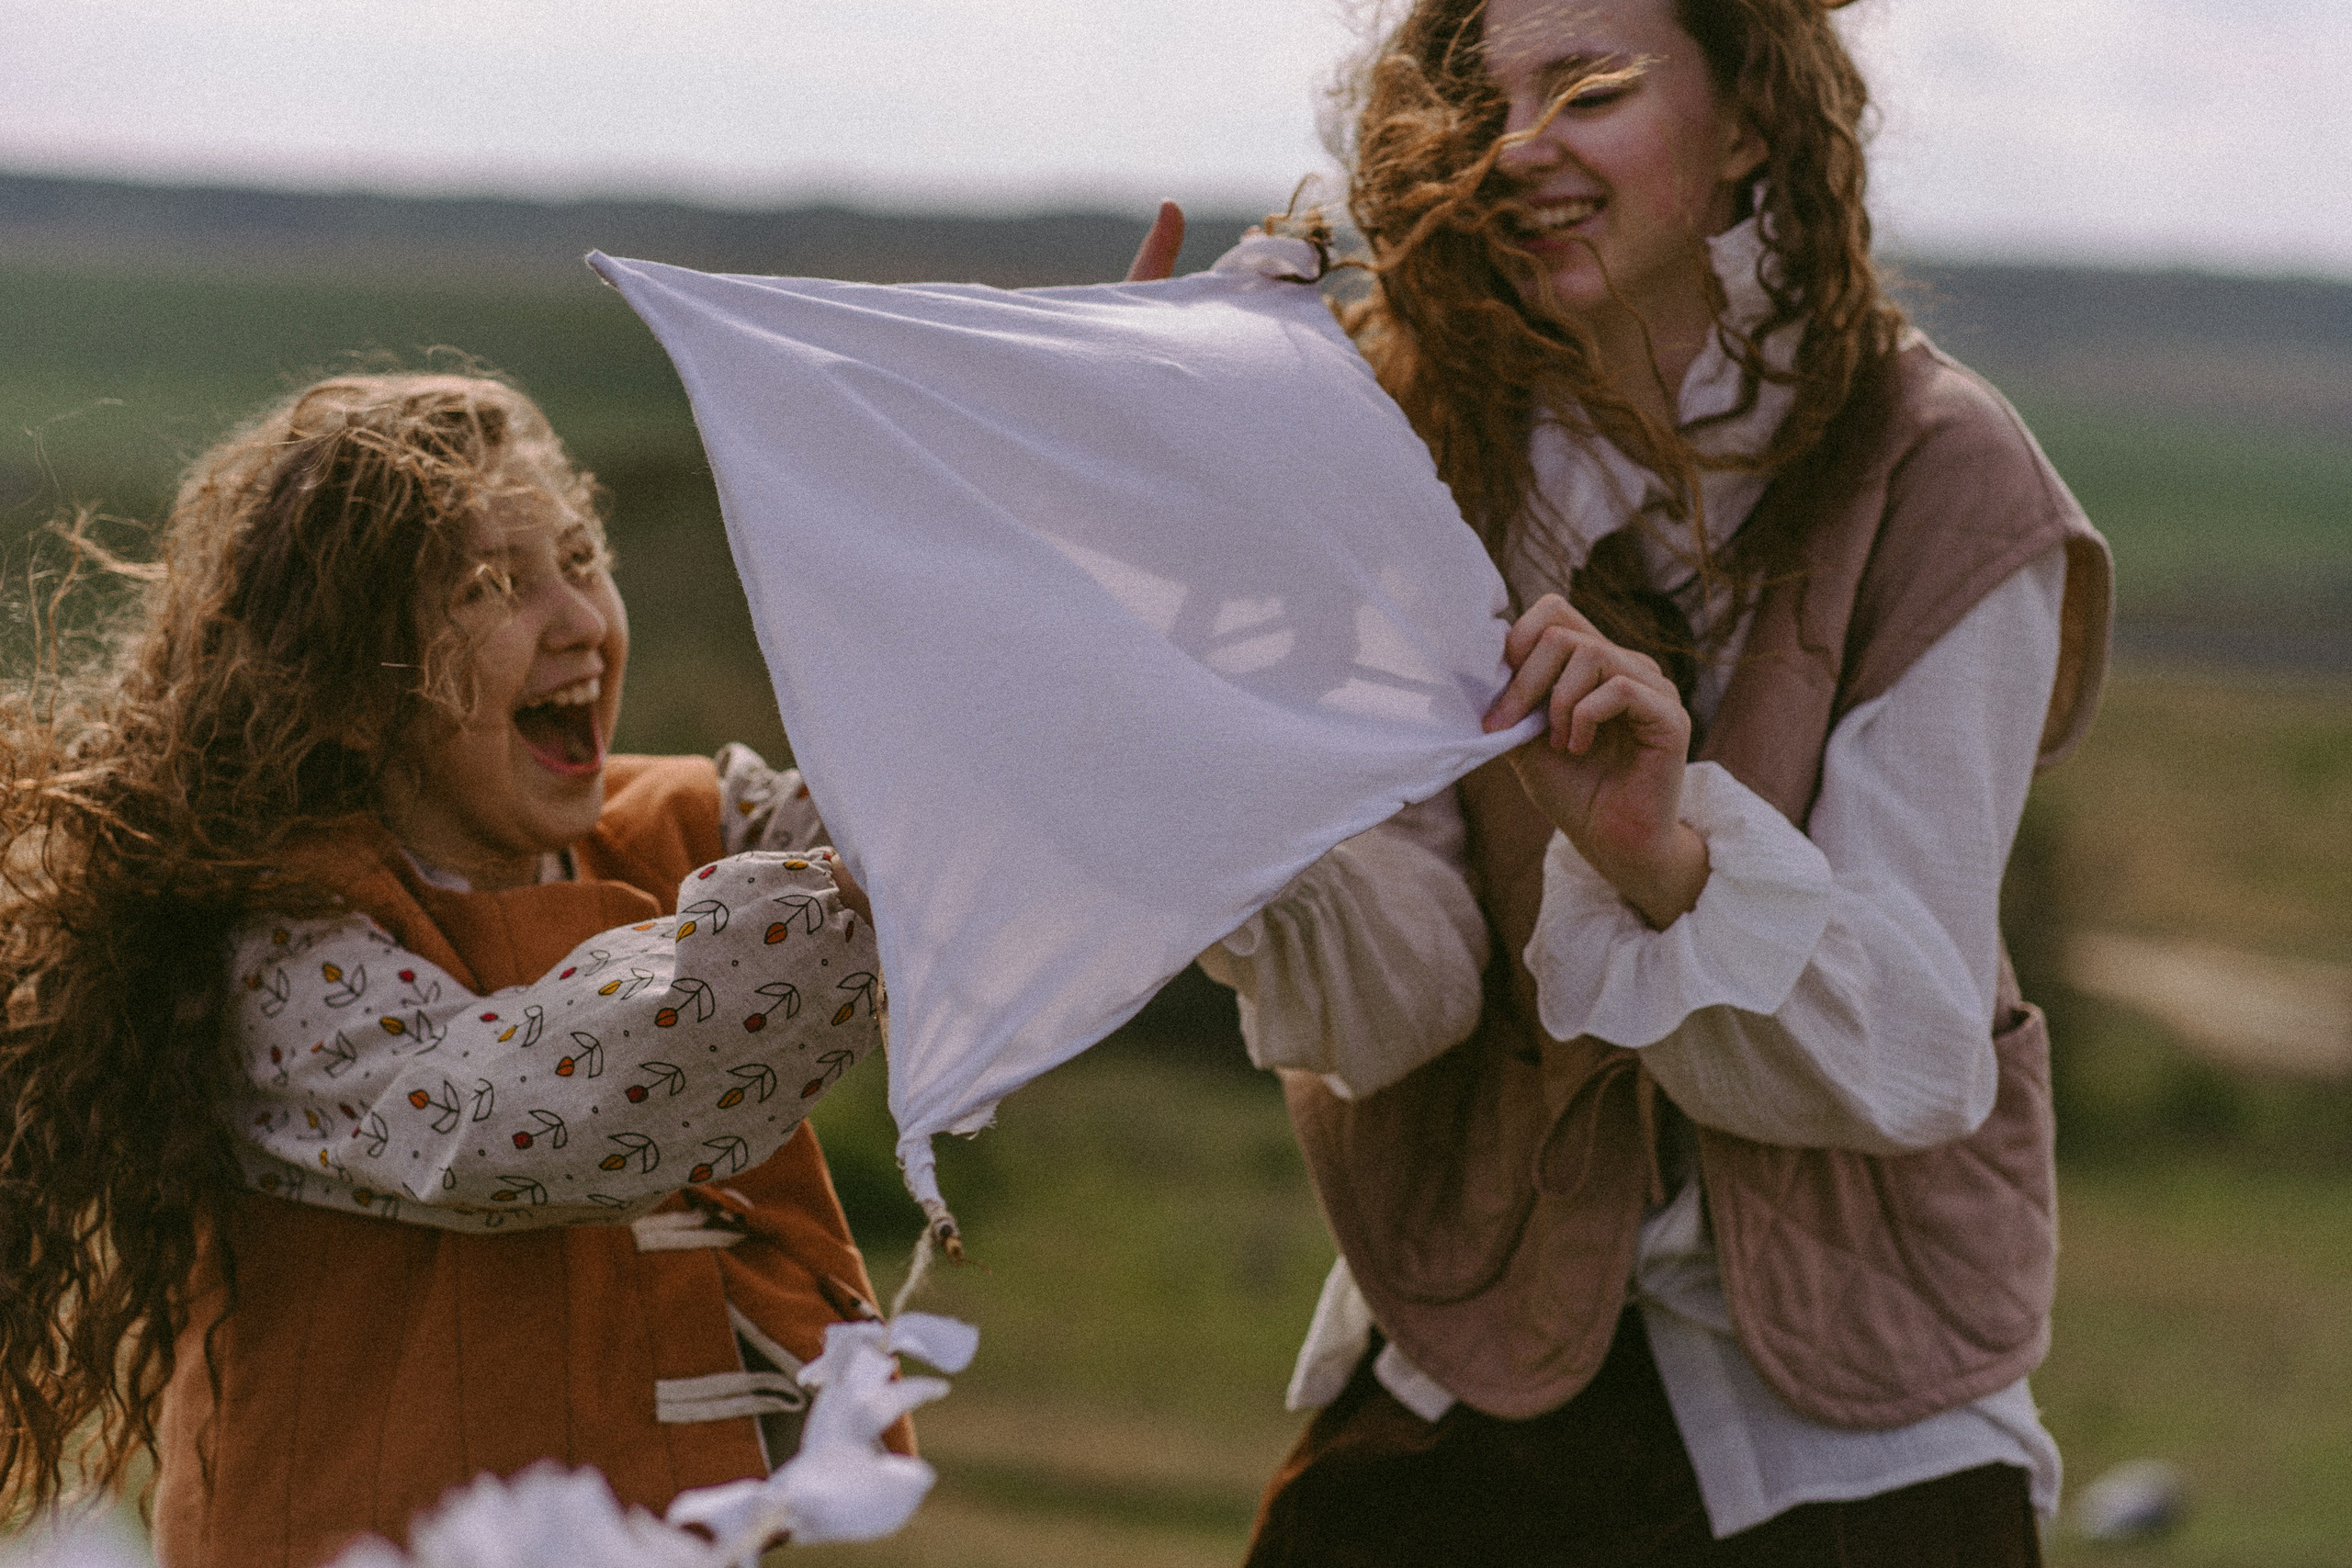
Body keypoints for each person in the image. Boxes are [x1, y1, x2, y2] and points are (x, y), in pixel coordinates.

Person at [1134, 0, 2112, 1561]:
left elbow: (1917, 1048)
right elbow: (1396, 1008)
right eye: (1483, 102)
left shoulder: (1943, 473)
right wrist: (1219, 699)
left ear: (1752, 124)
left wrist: (1671, 866)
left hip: (1854, 1426)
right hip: (1470, 1354)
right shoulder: (1406, 448)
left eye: (1588, 90)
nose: (1519, 150)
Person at [0, 373, 903, 1568]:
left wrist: (1048, 540)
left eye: (580, 557)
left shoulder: (675, 821)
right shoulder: (277, 954)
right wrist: (854, 907)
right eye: (492, 586)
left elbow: (943, 816)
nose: (578, 619)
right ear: (345, 696)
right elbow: (532, 1110)